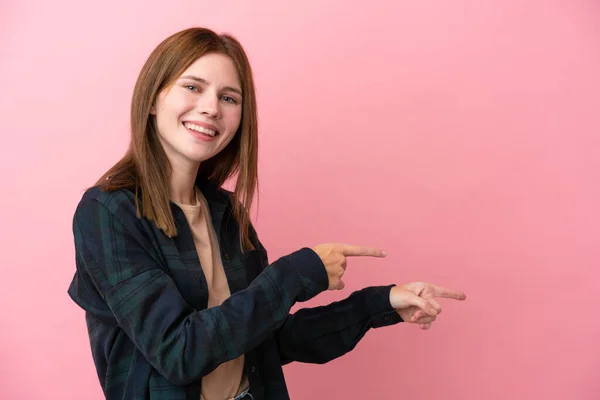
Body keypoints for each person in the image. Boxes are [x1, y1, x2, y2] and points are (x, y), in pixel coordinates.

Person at [67, 27, 467, 400]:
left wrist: (383, 303)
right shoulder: (108, 212)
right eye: (192, 87)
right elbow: (178, 352)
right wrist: (297, 272)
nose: (210, 108)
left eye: (229, 98)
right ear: (153, 99)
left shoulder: (225, 212)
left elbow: (268, 337)